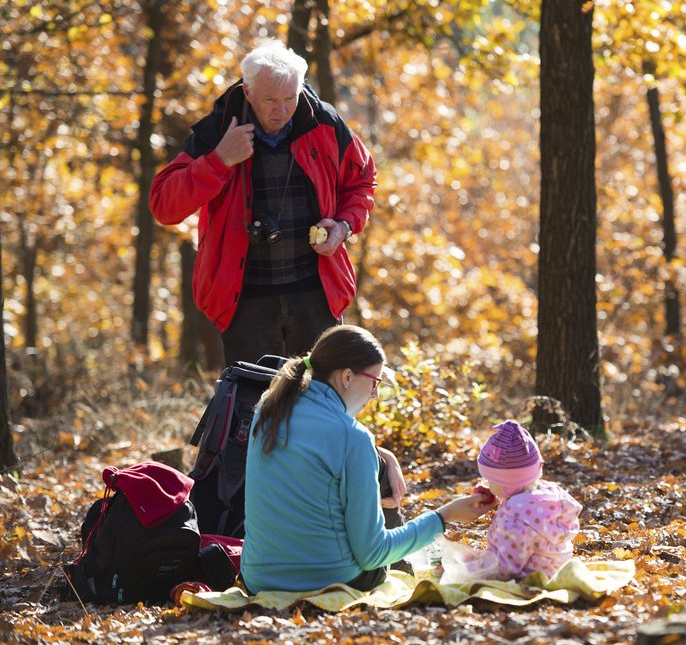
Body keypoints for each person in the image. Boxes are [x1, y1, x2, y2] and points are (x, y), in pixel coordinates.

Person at [150, 41, 377, 367]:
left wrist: (342, 226)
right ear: (248, 92)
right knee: (252, 410)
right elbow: (163, 206)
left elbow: (362, 181)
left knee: (318, 404)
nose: (282, 111)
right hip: (244, 300)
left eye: (290, 99)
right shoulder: (217, 130)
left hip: (317, 292)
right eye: (270, 100)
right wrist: (220, 159)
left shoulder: (325, 123)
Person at [240, 325, 495, 593]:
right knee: (378, 555)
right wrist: (445, 515)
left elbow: (322, 436)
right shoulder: (353, 438)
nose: (374, 395)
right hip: (332, 581)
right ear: (347, 377)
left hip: (258, 579)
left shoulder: (269, 408)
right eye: (375, 383)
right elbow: (372, 554)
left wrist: (383, 454)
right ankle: (402, 564)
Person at [443, 420, 582, 582]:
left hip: (529, 578)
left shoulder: (515, 519)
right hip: (553, 569)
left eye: (490, 481)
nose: (487, 484)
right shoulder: (546, 494)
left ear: (507, 485)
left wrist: (472, 569)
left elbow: (505, 568)